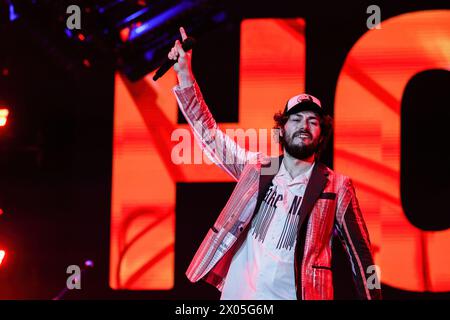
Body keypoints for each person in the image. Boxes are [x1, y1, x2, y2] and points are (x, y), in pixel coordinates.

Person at [168, 27, 381, 300]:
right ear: (281, 129)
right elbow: (210, 137)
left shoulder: (337, 186)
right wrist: (185, 76)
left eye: (313, 121)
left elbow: (361, 257)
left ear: (322, 134)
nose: (304, 126)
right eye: (295, 119)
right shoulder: (260, 169)